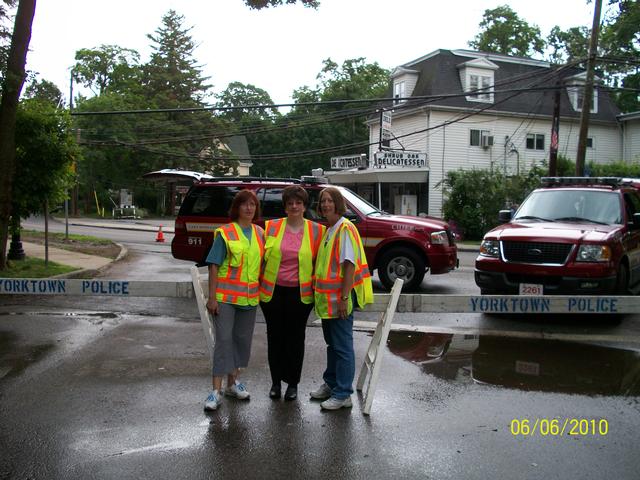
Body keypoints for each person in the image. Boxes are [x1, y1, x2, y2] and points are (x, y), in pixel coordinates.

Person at [259, 186, 326, 401]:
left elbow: (320, 263)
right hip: (272, 293)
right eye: (290, 203)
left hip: (300, 295)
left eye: (298, 203)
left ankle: (293, 384)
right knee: (275, 338)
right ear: (285, 206)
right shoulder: (271, 227)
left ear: (305, 206)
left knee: (295, 340)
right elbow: (259, 258)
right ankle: (276, 382)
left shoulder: (317, 230)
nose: (294, 206)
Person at [310, 187, 373, 410]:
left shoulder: (345, 228)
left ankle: (343, 393)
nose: (326, 204)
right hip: (329, 300)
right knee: (333, 345)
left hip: (340, 299)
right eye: (322, 201)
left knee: (342, 346)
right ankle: (332, 383)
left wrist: (345, 298)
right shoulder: (331, 229)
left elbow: (349, 265)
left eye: (330, 200)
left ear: (338, 203)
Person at [203, 189, 265, 411]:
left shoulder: (260, 233)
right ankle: (215, 391)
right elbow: (214, 265)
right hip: (226, 298)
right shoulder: (226, 233)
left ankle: (233, 383)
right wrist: (212, 297)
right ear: (237, 208)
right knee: (223, 341)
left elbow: (263, 265)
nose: (249, 208)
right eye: (244, 204)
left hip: (249, 299)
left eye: (252, 204)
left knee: (241, 341)